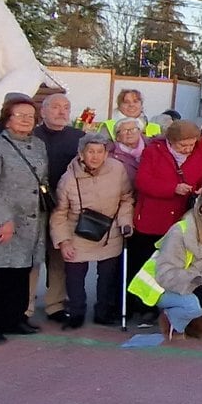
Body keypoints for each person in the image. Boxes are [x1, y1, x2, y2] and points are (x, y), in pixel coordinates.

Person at [0, 97, 49, 345]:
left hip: (31, 220)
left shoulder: (38, 145)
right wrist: (3, 219)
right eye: (19, 115)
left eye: (30, 115)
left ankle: (13, 320)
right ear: (7, 119)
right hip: (1, 220)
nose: (26, 120)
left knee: (19, 274)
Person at [51, 133, 135, 328]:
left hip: (110, 229)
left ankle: (103, 312)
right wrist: (63, 241)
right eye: (90, 151)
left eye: (100, 152)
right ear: (81, 153)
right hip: (76, 230)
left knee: (107, 276)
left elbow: (126, 197)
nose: (95, 156)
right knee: (75, 276)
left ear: (106, 154)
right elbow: (59, 213)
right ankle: (76, 313)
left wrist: (125, 222)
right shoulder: (68, 178)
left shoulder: (117, 169)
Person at [145, 185, 202, 340]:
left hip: (201, 279)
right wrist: (195, 287)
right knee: (194, 305)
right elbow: (165, 273)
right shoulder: (182, 230)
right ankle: (171, 319)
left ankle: (201, 322)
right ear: (201, 206)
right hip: (164, 286)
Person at [130, 121, 202, 288]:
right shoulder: (153, 151)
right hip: (153, 220)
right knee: (144, 264)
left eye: (191, 144)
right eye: (183, 145)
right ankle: (138, 306)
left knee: (171, 266)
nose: (188, 149)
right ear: (171, 141)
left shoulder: (199, 154)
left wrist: (201, 190)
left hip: (180, 220)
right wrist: (173, 188)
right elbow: (142, 181)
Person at [32, 92, 87, 322]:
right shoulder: (30, 136)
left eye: (66, 107)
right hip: (33, 206)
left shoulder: (79, 138)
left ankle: (54, 305)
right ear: (42, 111)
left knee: (58, 259)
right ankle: (24, 307)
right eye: (55, 107)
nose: (61, 111)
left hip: (64, 207)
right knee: (32, 259)